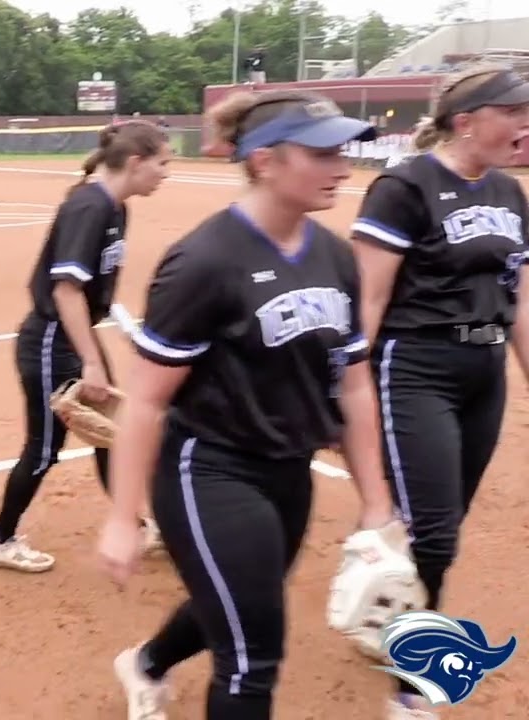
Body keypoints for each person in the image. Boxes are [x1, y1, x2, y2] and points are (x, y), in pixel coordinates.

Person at [97, 90, 399, 720]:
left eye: (342, 151)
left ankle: (146, 664)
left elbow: (353, 383)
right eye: (320, 153)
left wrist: (376, 503)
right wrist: (124, 517)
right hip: (209, 469)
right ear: (265, 161)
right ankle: (156, 667)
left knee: (239, 600)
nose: (342, 166)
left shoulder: (335, 257)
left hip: (288, 471)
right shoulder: (205, 261)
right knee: (253, 655)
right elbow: (148, 403)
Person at [348, 64, 529, 719]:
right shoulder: (404, 187)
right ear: (466, 122)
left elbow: (520, 298)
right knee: (437, 536)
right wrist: (348, 393)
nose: (524, 125)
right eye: (512, 112)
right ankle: (414, 685)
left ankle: (372, 585)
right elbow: (366, 300)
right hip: (415, 364)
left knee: (435, 514)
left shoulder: (510, 193)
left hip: (484, 372)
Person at [0, 121, 171, 574]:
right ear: (135, 162)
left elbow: (91, 288)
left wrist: (118, 325)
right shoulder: (89, 206)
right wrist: (90, 360)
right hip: (52, 339)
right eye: (162, 163)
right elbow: (66, 290)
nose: (166, 173)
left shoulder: (116, 207)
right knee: (45, 447)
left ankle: (135, 524)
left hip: (75, 333)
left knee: (109, 434)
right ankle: (0, 539)